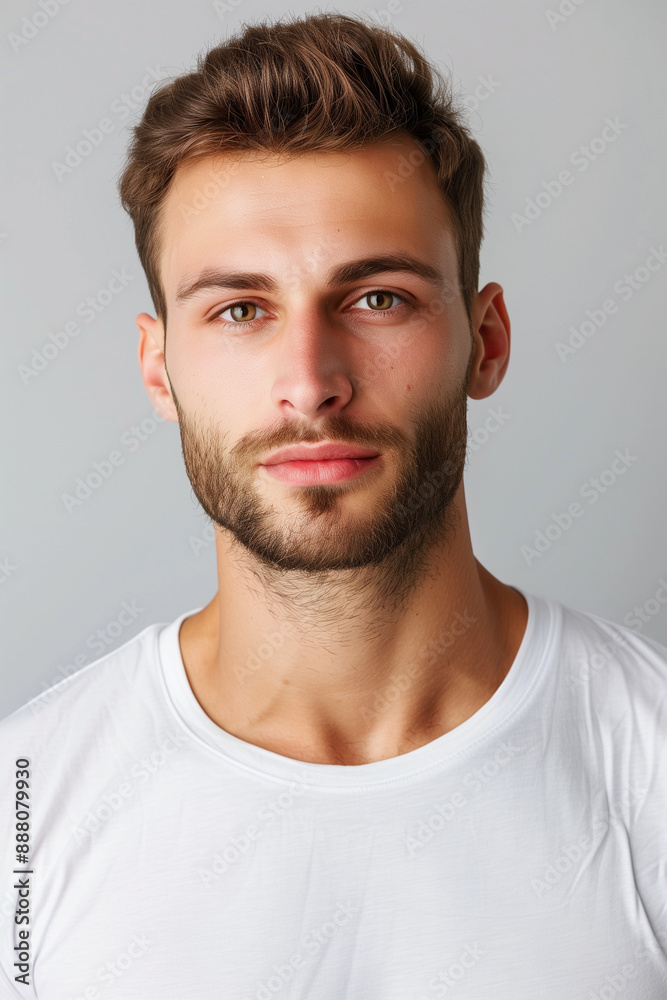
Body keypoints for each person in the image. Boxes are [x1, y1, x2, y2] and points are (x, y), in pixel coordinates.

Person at [1, 11, 666, 998]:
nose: (309, 384)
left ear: (484, 342)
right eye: (239, 309)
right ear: (158, 367)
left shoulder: (649, 760)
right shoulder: (24, 803)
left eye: (377, 298)